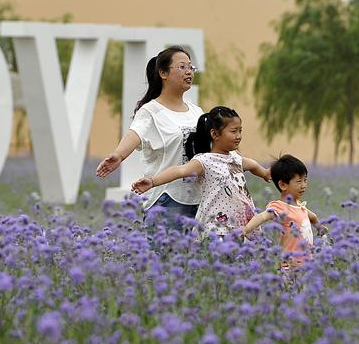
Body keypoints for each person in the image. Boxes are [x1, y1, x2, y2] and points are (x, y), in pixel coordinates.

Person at [96, 47, 204, 220]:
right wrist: (118, 155)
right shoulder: (151, 111)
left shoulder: (196, 112)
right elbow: (135, 133)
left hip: (200, 201)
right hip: (167, 201)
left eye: (191, 67)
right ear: (163, 73)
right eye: (182, 67)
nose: (189, 72)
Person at [132, 106, 270, 238]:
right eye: (234, 131)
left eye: (240, 131)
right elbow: (180, 170)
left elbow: (252, 165)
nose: (238, 136)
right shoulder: (205, 161)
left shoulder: (234, 158)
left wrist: (264, 173)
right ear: (215, 134)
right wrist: (152, 181)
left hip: (237, 226)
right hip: (216, 229)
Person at [243, 154, 325, 267]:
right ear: (282, 185)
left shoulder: (300, 207)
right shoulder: (280, 207)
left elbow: (312, 216)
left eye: (305, 180)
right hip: (289, 266)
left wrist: (320, 228)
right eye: (299, 181)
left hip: (307, 265)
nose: (303, 185)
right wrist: (244, 230)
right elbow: (261, 217)